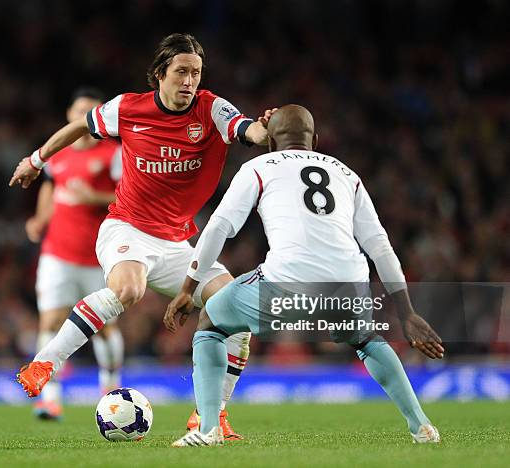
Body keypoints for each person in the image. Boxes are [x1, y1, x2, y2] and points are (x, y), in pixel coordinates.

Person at [9, 33, 273, 439]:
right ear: (159, 75)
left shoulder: (211, 108)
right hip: (126, 228)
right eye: (181, 72)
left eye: (196, 73)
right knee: (128, 289)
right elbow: (79, 126)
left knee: (237, 313)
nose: (190, 81)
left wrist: (265, 130)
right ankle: (46, 362)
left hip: (178, 243)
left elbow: (247, 130)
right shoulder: (129, 107)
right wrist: (35, 160)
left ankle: (212, 415)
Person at [165, 104, 445, 447]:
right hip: (349, 285)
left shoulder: (259, 166)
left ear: (271, 141)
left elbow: (219, 228)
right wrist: (407, 313)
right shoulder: (346, 173)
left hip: (286, 282)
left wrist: (188, 287)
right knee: (367, 339)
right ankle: (422, 427)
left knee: (211, 321)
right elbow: (380, 247)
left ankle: (208, 430)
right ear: (315, 139)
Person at [25, 88, 124, 420]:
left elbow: (126, 197)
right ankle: (49, 397)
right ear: (70, 115)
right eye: (80, 110)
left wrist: (93, 197)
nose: (85, 116)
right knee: (50, 320)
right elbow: (50, 186)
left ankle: (109, 386)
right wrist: (41, 219)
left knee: (104, 327)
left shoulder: (112, 153)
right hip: (57, 253)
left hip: (99, 255)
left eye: (92, 111)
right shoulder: (58, 154)